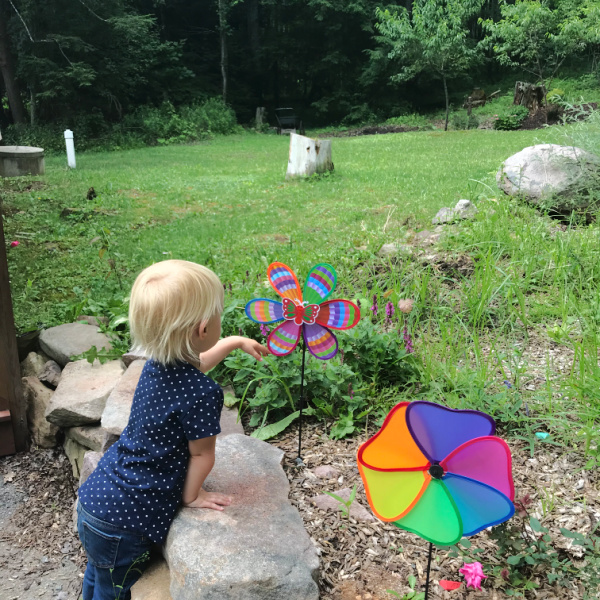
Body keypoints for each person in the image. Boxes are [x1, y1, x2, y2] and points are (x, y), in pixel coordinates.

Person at [76, 260, 269, 600]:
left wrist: (235, 341)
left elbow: (198, 362)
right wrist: (193, 496)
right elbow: (202, 454)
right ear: (204, 328)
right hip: (127, 522)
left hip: (97, 500)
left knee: (98, 574)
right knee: (113, 590)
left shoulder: (155, 365)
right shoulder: (203, 393)